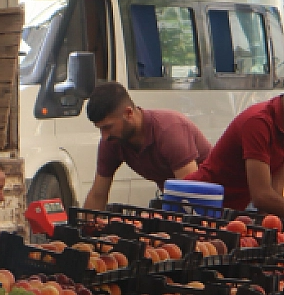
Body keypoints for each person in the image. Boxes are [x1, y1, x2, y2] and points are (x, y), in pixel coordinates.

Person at [188, 57, 284, 227]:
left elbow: (276, 186)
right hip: (195, 207)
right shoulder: (258, 123)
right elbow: (262, 196)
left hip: (228, 216)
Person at [80, 83, 211, 210]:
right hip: (178, 201)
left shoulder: (168, 131)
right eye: (100, 129)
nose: (104, 136)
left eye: (108, 127)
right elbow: (98, 195)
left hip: (212, 201)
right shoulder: (112, 141)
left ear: (128, 113)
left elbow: (191, 193)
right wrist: (86, 223)